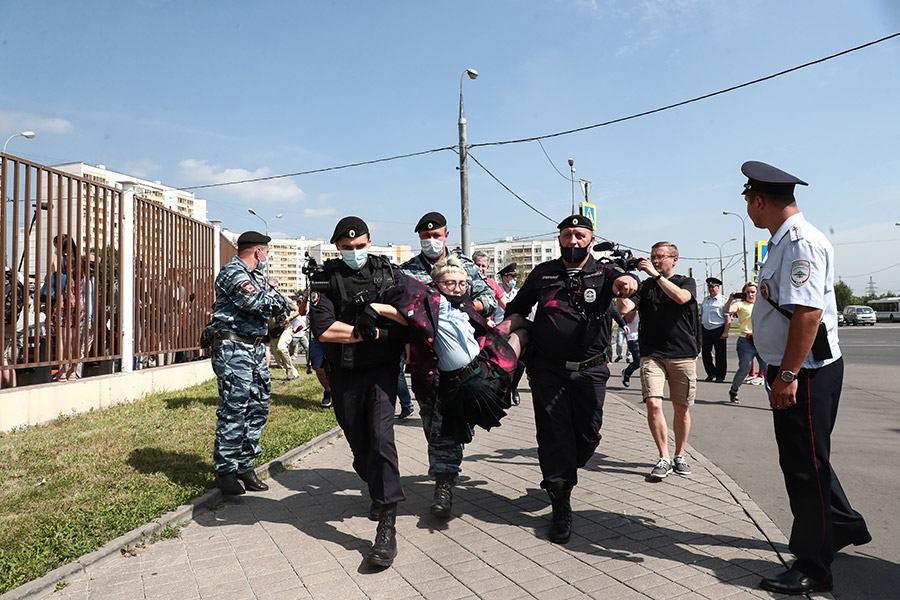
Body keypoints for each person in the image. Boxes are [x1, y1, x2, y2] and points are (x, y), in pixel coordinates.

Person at [740, 160, 870, 595]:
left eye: (748, 201)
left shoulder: (800, 243)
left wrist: (788, 375)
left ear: (759, 200)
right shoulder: (782, 243)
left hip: (806, 372)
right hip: (798, 369)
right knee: (812, 460)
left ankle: (813, 566)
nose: (748, 209)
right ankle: (844, 525)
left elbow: (808, 313)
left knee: (804, 469)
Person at [498, 215, 638, 544]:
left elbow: (629, 285)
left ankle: (564, 470)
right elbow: (518, 309)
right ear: (559, 238)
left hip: (591, 369)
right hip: (548, 368)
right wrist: (500, 334)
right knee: (553, 433)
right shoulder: (543, 273)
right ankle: (560, 500)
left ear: (591, 238)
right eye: (567, 235)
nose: (573, 241)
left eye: (579, 235)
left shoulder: (605, 273)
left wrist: (628, 283)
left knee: (588, 434)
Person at [309, 216, 408, 568]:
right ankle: (376, 484)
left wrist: (377, 310)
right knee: (360, 443)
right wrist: (369, 332)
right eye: (347, 247)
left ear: (370, 241)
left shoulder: (389, 273)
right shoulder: (327, 278)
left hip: (382, 371)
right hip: (346, 373)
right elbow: (323, 329)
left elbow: (410, 312)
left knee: (382, 440)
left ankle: (386, 526)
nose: (355, 252)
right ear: (338, 246)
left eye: (360, 245)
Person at [399, 211, 497, 519]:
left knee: (452, 423)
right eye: (425, 237)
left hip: (462, 361)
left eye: (436, 235)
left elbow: (489, 300)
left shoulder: (466, 266)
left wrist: (457, 305)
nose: (431, 241)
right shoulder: (408, 271)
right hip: (426, 363)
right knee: (433, 423)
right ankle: (444, 477)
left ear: (447, 235)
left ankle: (444, 480)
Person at [376, 256, 525, 444]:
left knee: (520, 323)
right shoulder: (433, 304)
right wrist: (378, 308)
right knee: (521, 334)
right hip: (463, 380)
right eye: (450, 283)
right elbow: (405, 314)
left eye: (462, 284)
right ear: (436, 284)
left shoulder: (463, 306)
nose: (457, 288)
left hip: (481, 370)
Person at [209, 231, 289, 496]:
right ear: (258, 251)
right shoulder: (233, 273)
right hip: (233, 347)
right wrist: (277, 300)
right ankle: (226, 471)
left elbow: (278, 303)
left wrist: (277, 301)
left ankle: (245, 465)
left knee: (258, 405)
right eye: (267, 251)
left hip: (253, 347)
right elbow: (259, 302)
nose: (267, 257)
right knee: (235, 407)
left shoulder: (255, 277)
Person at [617, 241, 699, 481]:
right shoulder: (645, 287)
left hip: (682, 353)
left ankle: (680, 455)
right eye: (652, 256)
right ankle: (663, 457)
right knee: (653, 402)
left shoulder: (686, 282)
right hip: (651, 353)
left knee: (681, 408)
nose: (654, 260)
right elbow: (626, 310)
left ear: (674, 259)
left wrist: (656, 277)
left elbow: (682, 298)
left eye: (659, 256)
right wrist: (623, 290)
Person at [723, 282, 767, 403]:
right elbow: (727, 310)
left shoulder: (762, 304)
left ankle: (772, 400)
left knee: (767, 369)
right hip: (746, 341)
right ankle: (734, 390)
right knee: (745, 368)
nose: (750, 295)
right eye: (747, 292)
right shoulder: (740, 304)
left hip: (761, 341)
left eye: (753, 292)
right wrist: (730, 300)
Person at [266, 278, 301, 380]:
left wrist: (289, 318)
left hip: (285, 328)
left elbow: (298, 310)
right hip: (272, 332)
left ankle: (290, 370)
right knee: (277, 357)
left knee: (281, 348)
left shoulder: (283, 298)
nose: (270, 290)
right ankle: (292, 372)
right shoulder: (262, 299)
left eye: (272, 287)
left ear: (277, 287)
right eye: (268, 287)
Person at [700, 277, 731, 382]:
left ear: (718, 287)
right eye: (709, 286)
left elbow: (727, 317)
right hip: (706, 329)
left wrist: (726, 331)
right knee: (705, 353)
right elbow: (702, 315)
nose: (711, 289)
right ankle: (711, 373)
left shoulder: (723, 300)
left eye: (713, 287)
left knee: (720, 354)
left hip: (718, 328)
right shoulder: (705, 300)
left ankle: (720, 375)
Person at [620, 305, 641, 388]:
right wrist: (635, 307)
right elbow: (629, 320)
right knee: (638, 361)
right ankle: (627, 372)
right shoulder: (630, 306)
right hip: (633, 337)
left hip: (645, 337)